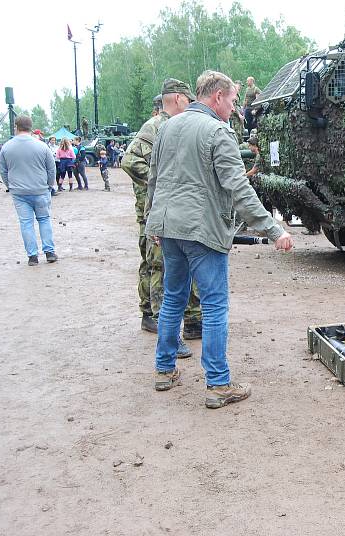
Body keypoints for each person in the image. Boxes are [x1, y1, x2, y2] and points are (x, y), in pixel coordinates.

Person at [145, 69, 294, 409]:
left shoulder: (167, 126)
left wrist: (152, 221)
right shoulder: (218, 132)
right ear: (217, 97)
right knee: (213, 305)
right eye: (232, 100)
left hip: (168, 228)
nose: (235, 107)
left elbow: (153, 179)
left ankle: (164, 370)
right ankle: (218, 384)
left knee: (172, 298)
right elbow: (238, 187)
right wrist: (275, 229)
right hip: (201, 232)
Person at [122, 78, 202, 343]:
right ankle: (159, 323)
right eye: (188, 100)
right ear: (178, 98)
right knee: (159, 266)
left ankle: (192, 319)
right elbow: (130, 161)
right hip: (156, 212)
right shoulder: (156, 125)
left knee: (185, 263)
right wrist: (164, 182)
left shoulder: (179, 126)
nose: (190, 105)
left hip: (174, 212)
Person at [0, 115, 59, 266]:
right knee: (44, 219)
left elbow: (3, 171)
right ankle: (49, 252)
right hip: (40, 189)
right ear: (31, 127)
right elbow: (51, 169)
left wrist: (10, 186)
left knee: (26, 223)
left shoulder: (6, 147)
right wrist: (49, 185)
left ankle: (32, 256)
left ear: (16, 127)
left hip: (19, 193)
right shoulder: (42, 146)